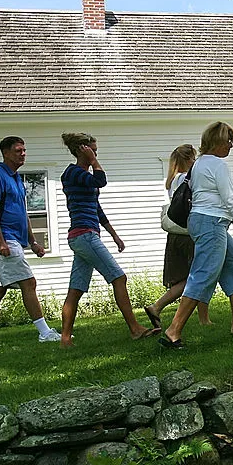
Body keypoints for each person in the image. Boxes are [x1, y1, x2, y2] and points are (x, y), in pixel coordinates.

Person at [160, 121, 233, 349]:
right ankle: (173, 331)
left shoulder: (199, 164)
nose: (231, 146)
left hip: (207, 223)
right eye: (228, 141)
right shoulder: (216, 165)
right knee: (202, 275)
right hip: (211, 224)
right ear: (217, 142)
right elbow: (230, 201)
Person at [59, 132, 158, 346]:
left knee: (75, 289)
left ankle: (65, 339)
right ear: (81, 150)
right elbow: (101, 180)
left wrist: (115, 236)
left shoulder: (83, 178)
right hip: (83, 235)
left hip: (85, 235)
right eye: (92, 150)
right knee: (118, 278)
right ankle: (135, 329)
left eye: (96, 151)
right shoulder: (72, 173)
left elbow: (97, 210)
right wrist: (94, 162)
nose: (95, 154)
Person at [0, 136, 61, 350]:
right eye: (17, 150)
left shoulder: (16, 179)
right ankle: (44, 333)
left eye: (24, 150)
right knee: (29, 283)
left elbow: (23, 213)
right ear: (5, 153)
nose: (22, 154)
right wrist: (0, 241)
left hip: (14, 240)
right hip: (5, 241)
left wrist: (32, 241)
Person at [143, 145, 212, 330]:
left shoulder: (172, 180)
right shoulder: (187, 178)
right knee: (199, 275)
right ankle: (158, 306)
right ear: (189, 159)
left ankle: (203, 318)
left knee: (190, 276)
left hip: (174, 235)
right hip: (188, 234)